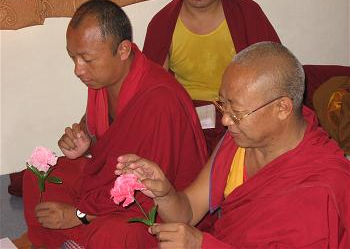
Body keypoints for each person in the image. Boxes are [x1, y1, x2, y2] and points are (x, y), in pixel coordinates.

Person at [116, 42, 350, 248]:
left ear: (282, 108)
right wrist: (164, 192)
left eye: (236, 112)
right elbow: (187, 212)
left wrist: (201, 245)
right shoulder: (239, 143)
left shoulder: (324, 184)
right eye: (223, 105)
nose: (226, 120)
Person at [23, 0, 208, 248]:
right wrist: (85, 144)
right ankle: (75, 240)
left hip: (155, 205)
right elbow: (104, 137)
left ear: (122, 50)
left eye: (87, 59)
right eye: (73, 57)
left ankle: (79, 237)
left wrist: (77, 215)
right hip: (108, 181)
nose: (78, 70)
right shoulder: (102, 80)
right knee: (39, 176)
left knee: (116, 234)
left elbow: (148, 193)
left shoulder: (160, 101)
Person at [143, 0, 280, 154]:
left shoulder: (246, 13)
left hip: (238, 112)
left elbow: (272, 73)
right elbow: (154, 90)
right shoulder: (163, 23)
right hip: (188, 116)